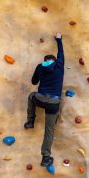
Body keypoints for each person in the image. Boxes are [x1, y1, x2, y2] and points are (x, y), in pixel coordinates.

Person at [24, 32, 64, 167]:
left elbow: (34, 82)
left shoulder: (40, 67)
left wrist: (40, 74)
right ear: (54, 59)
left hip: (41, 99)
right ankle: (46, 157)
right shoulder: (59, 65)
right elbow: (61, 53)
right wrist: (59, 39)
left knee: (31, 96)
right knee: (49, 130)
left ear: (45, 60)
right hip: (54, 103)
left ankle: (30, 121)